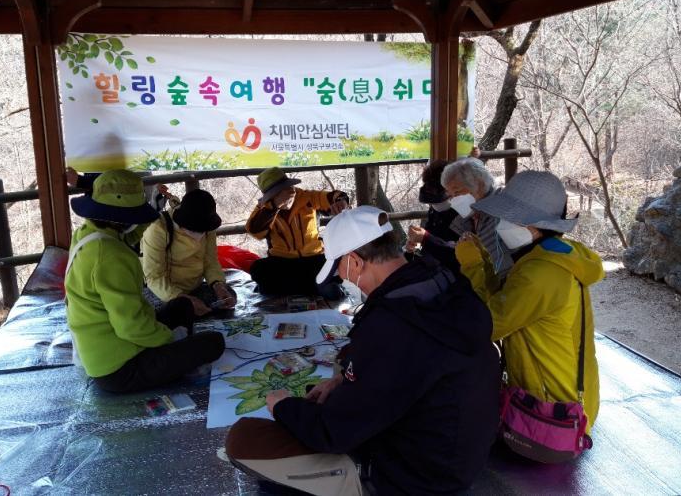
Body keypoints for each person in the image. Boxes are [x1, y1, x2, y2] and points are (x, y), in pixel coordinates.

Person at [226, 206, 500, 495]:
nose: (342, 278)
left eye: (339, 269)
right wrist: (343, 380)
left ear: (355, 262)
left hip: (415, 477)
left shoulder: (392, 325)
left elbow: (333, 433)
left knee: (245, 441)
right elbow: (407, 373)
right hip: (457, 454)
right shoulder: (440, 282)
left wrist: (282, 406)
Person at [455, 170, 602, 431]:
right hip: (567, 399)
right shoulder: (555, 255)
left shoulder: (541, 274)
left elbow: (488, 324)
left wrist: (473, 265)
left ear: (533, 225)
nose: (501, 224)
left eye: (508, 218)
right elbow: (505, 301)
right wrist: (485, 263)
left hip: (555, 413)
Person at [65, 170, 225, 393]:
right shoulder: (111, 257)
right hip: (119, 368)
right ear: (125, 217)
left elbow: (130, 234)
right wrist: (171, 339)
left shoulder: (88, 235)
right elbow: (131, 327)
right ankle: (175, 357)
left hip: (116, 342)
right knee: (213, 342)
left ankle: (174, 347)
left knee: (183, 305)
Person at [246, 167, 350, 298]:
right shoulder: (265, 209)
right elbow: (254, 231)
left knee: (332, 289)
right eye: (279, 193)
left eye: (288, 188)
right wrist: (274, 208)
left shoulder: (308, 198)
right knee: (259, 269)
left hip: (314, 259)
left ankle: (305, 287)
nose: (289, 193)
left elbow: (332, 197)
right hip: (282, 263)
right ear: (271, 196)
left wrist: (341, 201)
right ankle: (306, 288)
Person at [407, 157, 513, 277]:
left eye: (456, 192)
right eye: (451, 195)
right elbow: (459, 250)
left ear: (479, 184)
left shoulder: (497, 213)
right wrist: (417, 248)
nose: (453, 200)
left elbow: (462, 258)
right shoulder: (470, 214)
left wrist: (427, 239)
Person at [141, 188, 237, 313]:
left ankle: (195, 309)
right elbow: (154, 277)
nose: (199, 234)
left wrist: (218, 285)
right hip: (163, 290)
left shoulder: (208, 226)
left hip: (194, 288)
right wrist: (182, 298)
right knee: (173, 310)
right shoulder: (158, 228)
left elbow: (210, 262)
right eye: (195, 230)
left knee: (228, 296)